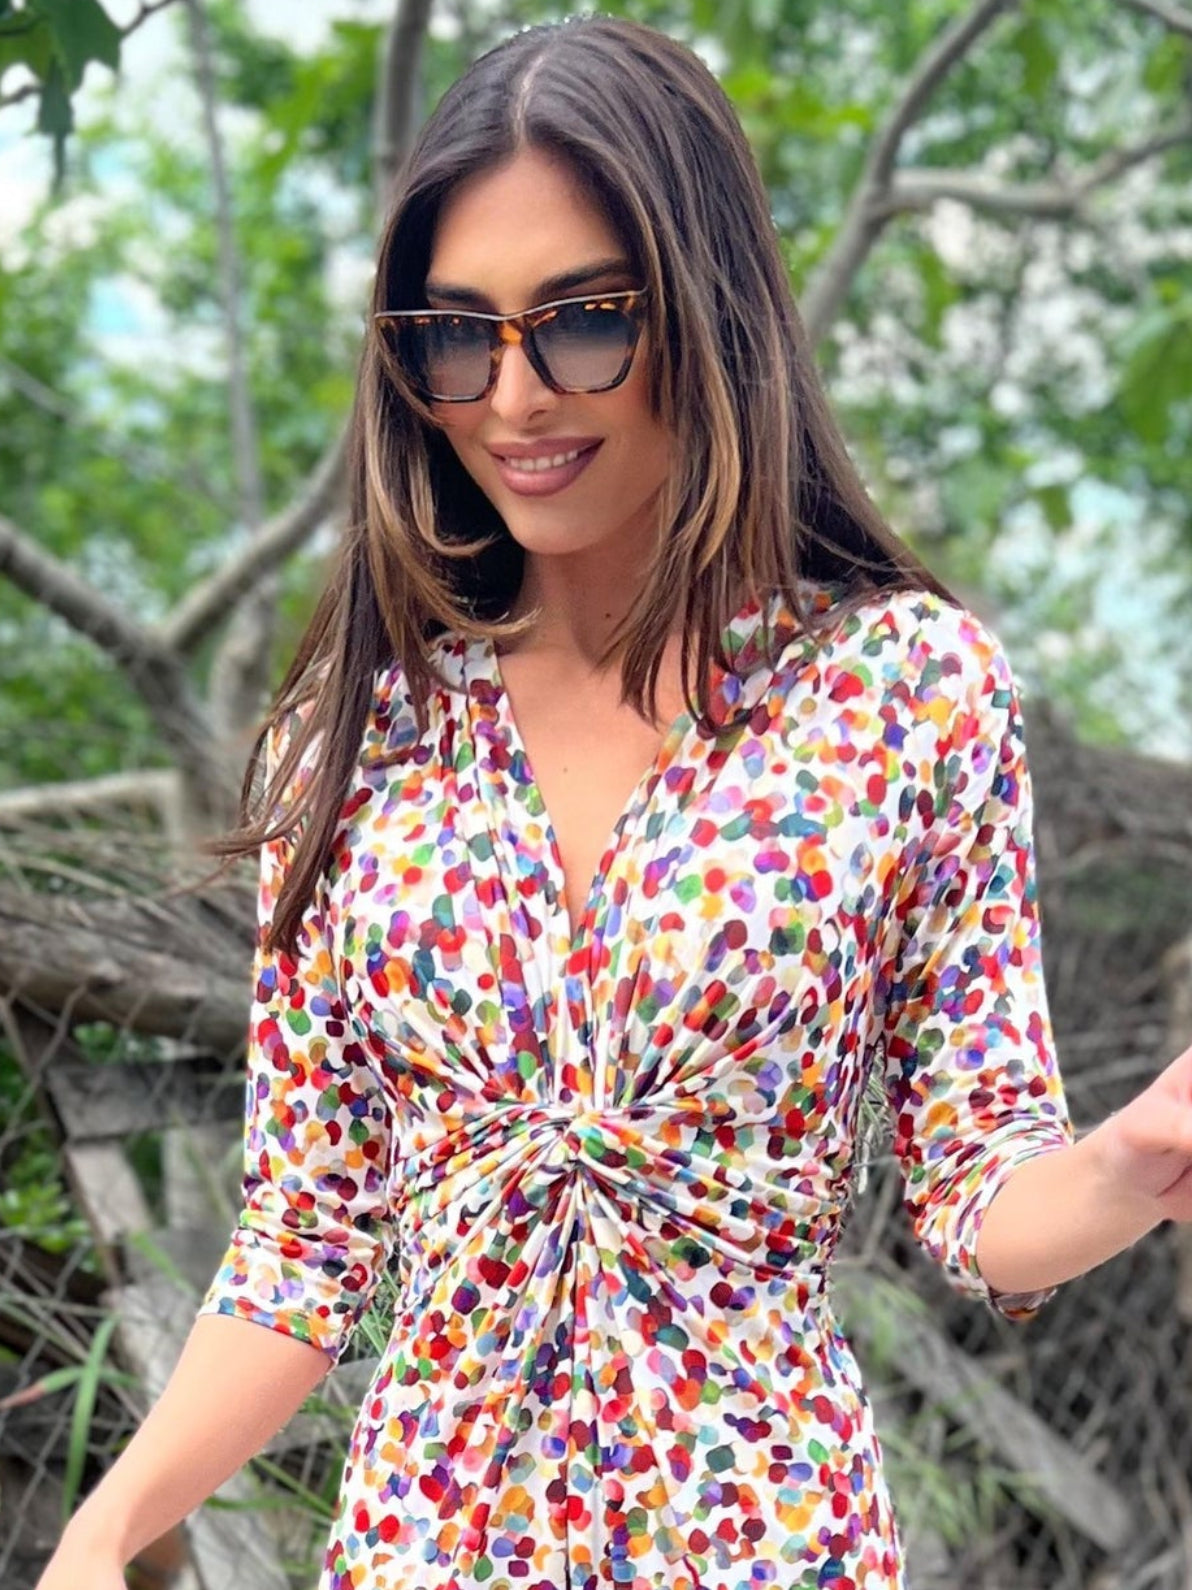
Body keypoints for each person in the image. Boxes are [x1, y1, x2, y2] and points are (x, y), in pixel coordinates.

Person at [37, 15, 1192, 1590]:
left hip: (766, 1543)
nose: (513, 396)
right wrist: (108, 1524)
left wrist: (1130, 1163)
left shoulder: (904, 693)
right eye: (456, 336)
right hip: (425, 1549)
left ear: (709, 308)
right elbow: (303, 1241)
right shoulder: (353, 737)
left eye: (583, 321)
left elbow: (982, 1185)